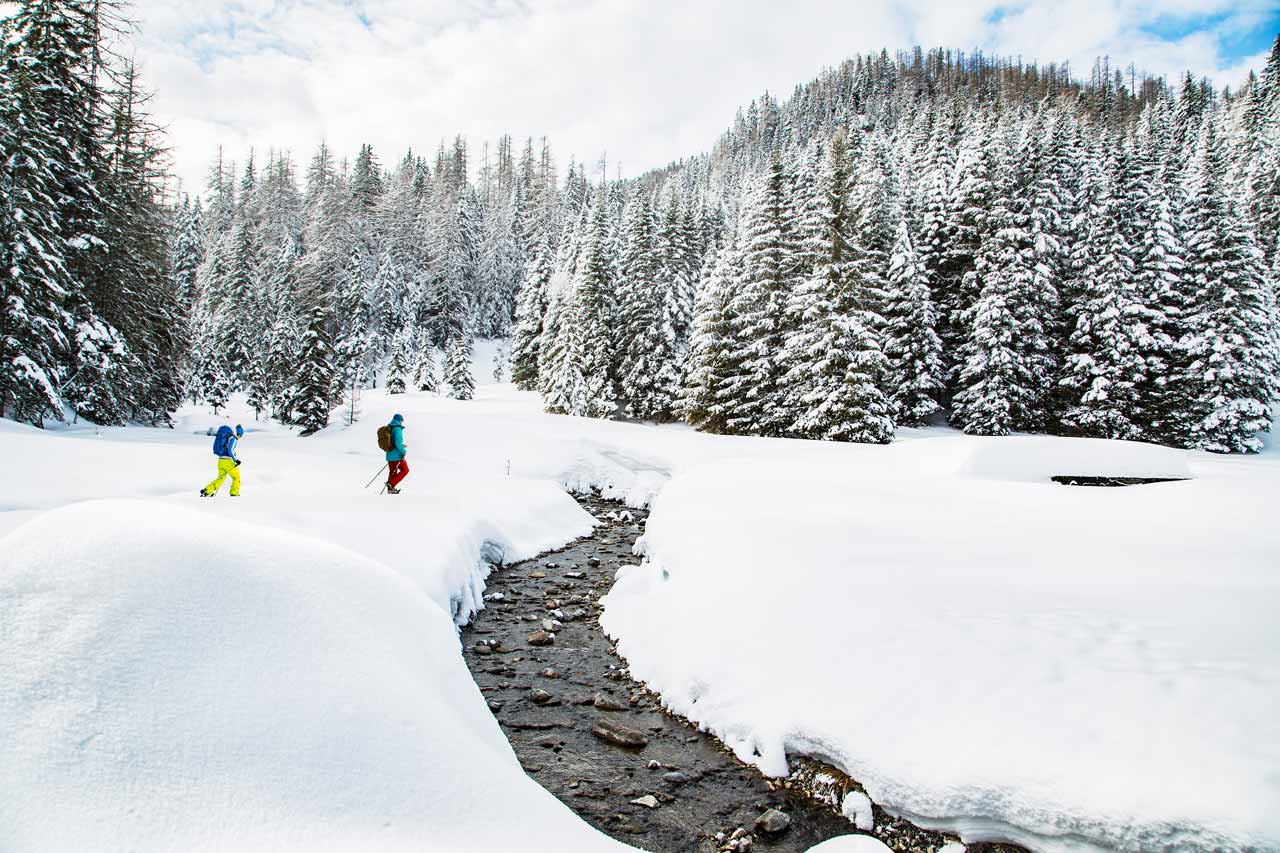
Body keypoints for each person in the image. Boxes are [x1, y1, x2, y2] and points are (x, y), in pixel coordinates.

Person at [201, 424, 244, 497]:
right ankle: (234, 493)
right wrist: (236, 460)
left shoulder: (228, 438)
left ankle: (207, 490)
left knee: (221, 478)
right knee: (236, 477)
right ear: (240, 434)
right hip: (229, 461)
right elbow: (230, 450)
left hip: (221, 461)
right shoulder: (234, 438)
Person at [385, 413, 409, 494]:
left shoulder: (390, 428)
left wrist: (401, 445)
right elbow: (398, 443)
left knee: (393, 471)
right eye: (402, 421)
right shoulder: (398, 429)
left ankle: (390, 490)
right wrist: (403, 451)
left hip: (389, 454)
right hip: (397, 456)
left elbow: (393, 442)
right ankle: (391, 484)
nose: (402, 422)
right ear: (400, 420)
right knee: (405, 470)